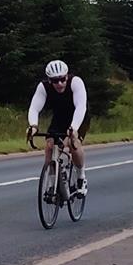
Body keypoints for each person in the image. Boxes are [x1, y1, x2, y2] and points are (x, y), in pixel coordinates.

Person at [27, 60, 89, 196]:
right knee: (50, 146)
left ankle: (81, 178)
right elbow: (34, 108)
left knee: (73, 143)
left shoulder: (76, 82)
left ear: (67, 76)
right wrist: (33, 126)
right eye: (55, 81)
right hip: (60, 117)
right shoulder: (43, 87)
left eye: (62, 79)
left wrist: (73, 128)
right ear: (49, 80)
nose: (59, 83)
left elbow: (81, 107)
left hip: (78, 116)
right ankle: (51, 183)